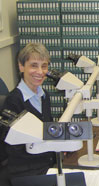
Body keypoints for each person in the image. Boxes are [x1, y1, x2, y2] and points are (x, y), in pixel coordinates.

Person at [0, 43, 56, 185]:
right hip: (25, 171)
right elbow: (13, 149)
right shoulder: (13, 101)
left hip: (45, 164)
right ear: (21, 66)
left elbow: (46, 128)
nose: (40, 71)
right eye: (34, 65)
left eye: (44, 66)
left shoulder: (44, 96)